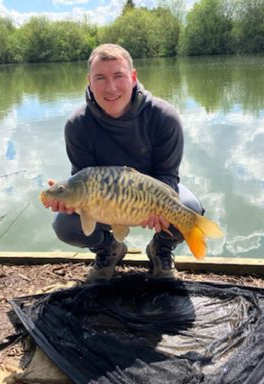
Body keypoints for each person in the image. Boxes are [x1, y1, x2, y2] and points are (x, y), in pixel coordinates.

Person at [46, 43, 204, 283]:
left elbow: (168, 175)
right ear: (89, 81)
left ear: (132, 77)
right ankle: (109, 249)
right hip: (103, 204)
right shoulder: (77, 124)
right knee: (64, 225)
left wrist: (158, 208)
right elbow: (83, 178)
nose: (110, 88)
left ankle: (160, 250)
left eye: (118, 76)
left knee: (189, 209)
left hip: (150, 198)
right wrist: (68, 200)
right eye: (100, 78)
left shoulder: (164, 116)